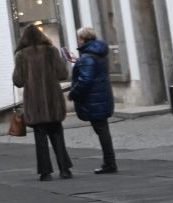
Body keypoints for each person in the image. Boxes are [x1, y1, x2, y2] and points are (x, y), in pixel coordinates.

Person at [11, 24, 73, 180]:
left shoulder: (21, 55)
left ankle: (45, 172)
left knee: (40, 139)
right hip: (53, 100)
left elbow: (18, 80)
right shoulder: (51, 51)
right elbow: (62, 74)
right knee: (58, 135)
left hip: (35, 102)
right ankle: (65, 169)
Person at [70, 26, 117, 174]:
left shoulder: (87, 57)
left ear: (82, 39)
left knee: (101, 130)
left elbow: (85, 79)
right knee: (103, 129)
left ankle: (109, 163)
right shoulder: (98, 53)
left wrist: (73, 93)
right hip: (102, 96)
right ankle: (109, 162)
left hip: (93, 99)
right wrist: (79, 62)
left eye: (79, 38)